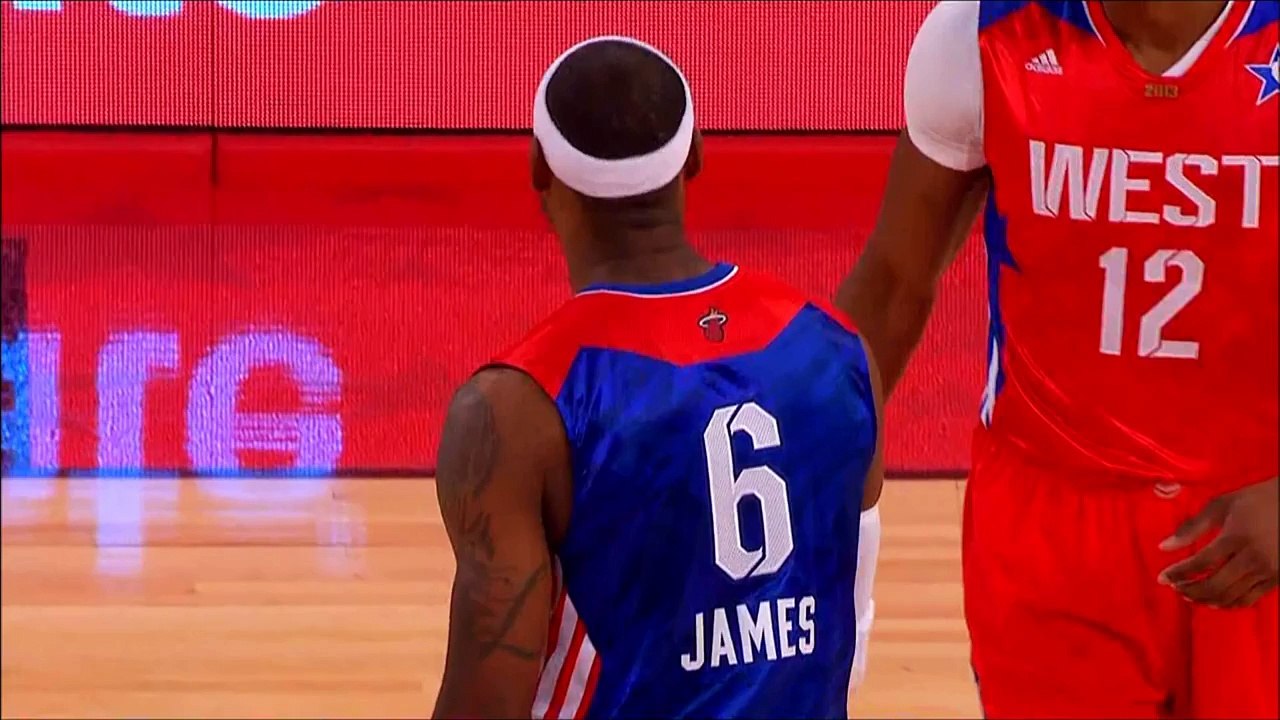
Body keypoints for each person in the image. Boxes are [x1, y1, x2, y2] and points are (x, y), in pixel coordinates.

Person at [836, 1, 1278, 717]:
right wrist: (795, 464)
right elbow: (892, 285)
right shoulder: (979, 36)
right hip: (1051, 529)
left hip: (1260, 507)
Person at [431, 36, 885, 720]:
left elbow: (485, 703)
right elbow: (848, 622)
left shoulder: (516, 409)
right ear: (697, 152)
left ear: (537, 168)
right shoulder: (837, 349)